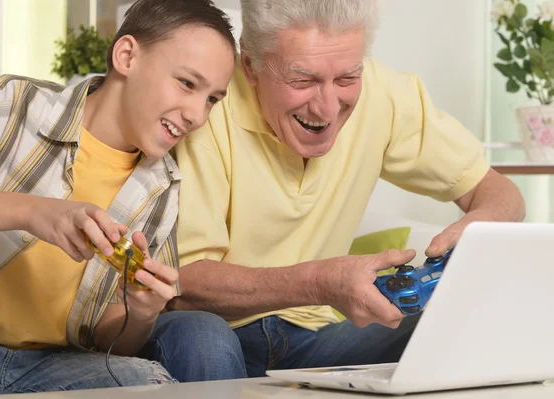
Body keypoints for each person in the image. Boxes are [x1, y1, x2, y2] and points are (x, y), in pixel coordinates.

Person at [144, 0, 526, 382]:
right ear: (251, 66)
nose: (327, 108)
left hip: (317, 338)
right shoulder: (204, 106)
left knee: (470, 312)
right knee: (201, 335)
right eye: (302, 80)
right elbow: (182, 283)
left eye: (347, 78)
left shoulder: (386, 94)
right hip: (214, 330)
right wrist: (321, 282)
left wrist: (476, 232)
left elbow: (500, 192)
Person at [0, 0, 236, 396]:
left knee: (149, 383)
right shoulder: (15, 105)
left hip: (52, 365)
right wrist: (32, 211)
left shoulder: (162, 189)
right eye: (188, 83)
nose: (197, 115)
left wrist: (140, 314)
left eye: (212, 99)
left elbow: (111, 344)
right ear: (126, 56)